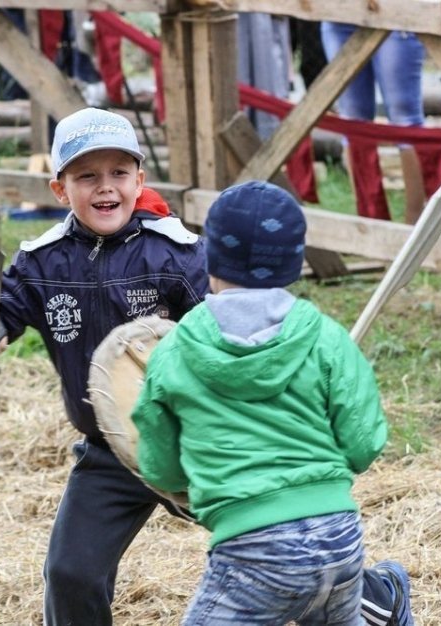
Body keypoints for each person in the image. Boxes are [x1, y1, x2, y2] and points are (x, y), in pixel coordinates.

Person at [0, 110, 412, 625]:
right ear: (60, 188)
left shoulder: (177, 253)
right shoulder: (42, 263)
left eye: (118, 174)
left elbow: (233, 324)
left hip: (199, 439)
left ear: (139, 180)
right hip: (113, 446)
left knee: (271, 532)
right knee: (70, 573)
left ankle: (370, 593)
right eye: (87, 176)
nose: (105, 188)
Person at [131, 180, 414, 625]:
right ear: (296, 264)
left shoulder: (175, 351)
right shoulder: (325, 337)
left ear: (210, 261)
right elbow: (363, 443)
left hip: (252, 550)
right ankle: (389, 597)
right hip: (338, 536)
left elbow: (160, 466)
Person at [321, 23, 428, 224]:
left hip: (397, 16)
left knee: (405, 119)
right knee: (352, 120)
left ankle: (415, 221)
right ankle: (368, 217)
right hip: (340, 17)